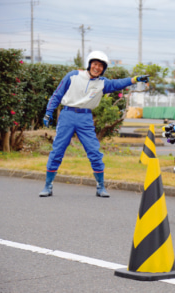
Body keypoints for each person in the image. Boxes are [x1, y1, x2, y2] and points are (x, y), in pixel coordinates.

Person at [39, 51, 149, 198]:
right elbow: (57, 94)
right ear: (89, 64)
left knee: (94, 152)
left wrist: (135, 79)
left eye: (100, 66)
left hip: (85, 118)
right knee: (57, 150)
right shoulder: (73, 76)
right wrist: (48, 112)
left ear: (103, 69)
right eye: (95, 64)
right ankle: (48, 186)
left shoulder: (103, 83)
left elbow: (118, 83)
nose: (97, 67)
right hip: (67, 115)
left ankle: (100, 187)